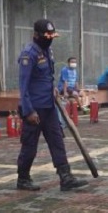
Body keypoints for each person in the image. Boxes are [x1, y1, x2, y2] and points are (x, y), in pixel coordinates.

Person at [15, 19, 88, 192]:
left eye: (51, 36)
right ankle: (23, 178)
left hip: (49, 106)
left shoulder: (48, 51)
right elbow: (23, 86)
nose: (49, 39)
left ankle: (65, 177)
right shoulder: (29, 54)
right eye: (46, 36)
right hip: (34, 108)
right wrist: (29, 111)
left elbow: (47, 77)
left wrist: (54, 89)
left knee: (57, 141)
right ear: (36, 35)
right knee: (30, 145)